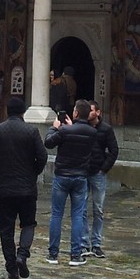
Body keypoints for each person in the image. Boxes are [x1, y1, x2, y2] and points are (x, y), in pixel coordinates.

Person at [0, 96, 47, 279]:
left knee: (6, 229)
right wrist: (33, 173)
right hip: (26, 188)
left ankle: (11, 266)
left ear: (7, 111)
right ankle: (22, 255)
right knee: (28, 223)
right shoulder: (31, 131)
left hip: (3, 188)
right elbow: (42, 156)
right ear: (23, 112)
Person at [43, 98, 96, 266]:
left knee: (56, 214)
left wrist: (54, 128)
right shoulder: (92, 132)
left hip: (62, 175)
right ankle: (75, 255)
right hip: (80, 176)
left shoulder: (65, 131)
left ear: (76, 113)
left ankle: (53, 254)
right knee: (78, 215)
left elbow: (48, 142)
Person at [87, 99, 119, 259]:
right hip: (83, 171)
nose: (89, 113)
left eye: (91, 110)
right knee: (81, 209)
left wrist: (103, 169)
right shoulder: (83, 127)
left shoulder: (106, 129)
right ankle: (83, 243)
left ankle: (96, 244)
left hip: (98, 173)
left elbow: (114, 150)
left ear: (98, 112)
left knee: (98, 209)